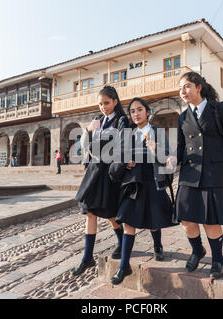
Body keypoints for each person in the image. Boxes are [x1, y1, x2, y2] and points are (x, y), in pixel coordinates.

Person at [175, 72, 223, 279]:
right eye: (180, 88)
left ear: (199, 87)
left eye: (187, 86)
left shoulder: (219, 109)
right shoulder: (182, 117)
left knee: (211, 221)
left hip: (216, 172)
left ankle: (217, 259)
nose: (183, 91)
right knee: (186, 219)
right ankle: (198, 250)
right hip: (190, 174)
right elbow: (180, 148)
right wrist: (169, 160)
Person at [108, 98, 177, 285]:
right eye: (132, 111)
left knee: (153, 222)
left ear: (148, 112)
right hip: (133, 186)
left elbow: (170, 162)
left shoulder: (158, 133)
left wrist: (157, 151)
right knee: (128, 223)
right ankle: (124, 266)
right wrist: (125, 162)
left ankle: (157, 245)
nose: (136, 113)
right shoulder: (127, 136)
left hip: (154, 182)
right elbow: (113, 167)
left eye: (140, 109)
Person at [72, 86, 130, 276]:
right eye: (100, 104)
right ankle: (87, 257)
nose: (103, 107)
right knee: (89, 211)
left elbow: (123, 145)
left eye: (106, 103)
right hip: (94, 170)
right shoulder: (98, 121)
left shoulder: (121, 120)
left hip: (109, 172)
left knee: (110, 213)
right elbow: (83, 146)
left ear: (115, 101)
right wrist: (88, 131)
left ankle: (122, 242)